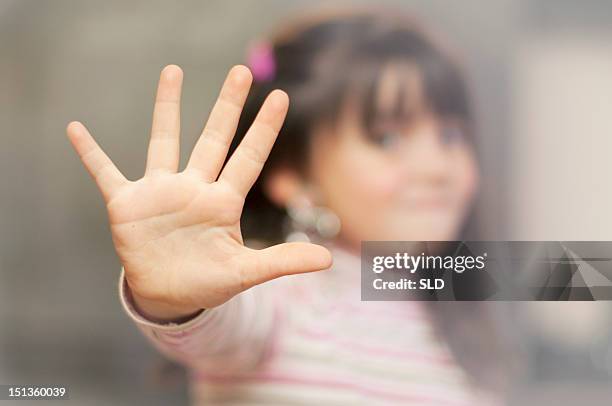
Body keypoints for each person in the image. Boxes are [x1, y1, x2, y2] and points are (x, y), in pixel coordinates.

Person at [67, 8, 515, 405]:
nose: (438, 166)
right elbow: (225, 321)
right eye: (387, 138)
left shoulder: (456, 316)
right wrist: (178, 297)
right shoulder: (281, 294)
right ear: (294, 178)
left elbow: (576, 275)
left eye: (451, 137)